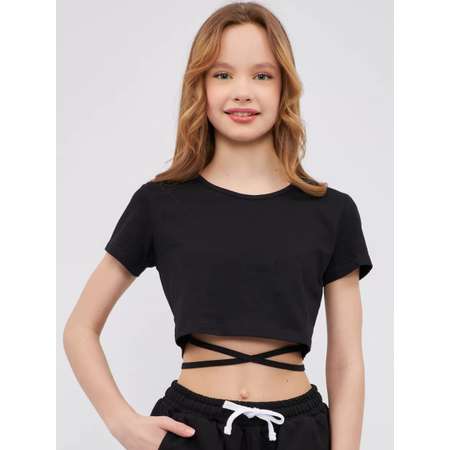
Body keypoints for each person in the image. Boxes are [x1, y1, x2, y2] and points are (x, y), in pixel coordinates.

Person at [63, 3, 373, 449]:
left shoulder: (333, 212)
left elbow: (346, 362)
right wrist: (122, 422)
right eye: (223, 74)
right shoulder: (159, 203)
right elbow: (80, 328)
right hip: (193, 431)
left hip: (300, 433)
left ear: (284, 87)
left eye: (261, 75)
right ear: (200, 87)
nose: (242, 92)